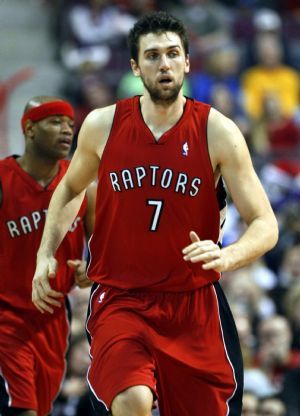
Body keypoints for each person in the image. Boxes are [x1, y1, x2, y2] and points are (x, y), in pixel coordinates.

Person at [32, 12, 278, 416]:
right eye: (152, 56)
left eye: (172, 54)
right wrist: (45, 254)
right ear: (135, 66)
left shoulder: (219, 132)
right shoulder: (102, 125)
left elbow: (265, 223)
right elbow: (70, 189)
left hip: (192, 301)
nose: (163, 64)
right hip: (121, 298)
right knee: (132, 400)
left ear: (186, 62)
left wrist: (228, 255)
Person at [0, 96, 96, 416]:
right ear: (29, 129)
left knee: (39, 408)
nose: (67, 130)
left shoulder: (82, 184)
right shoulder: (3, 180)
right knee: (22, 407)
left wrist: (90, 268)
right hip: (8, 314)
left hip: (55, 317)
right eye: (55, 122)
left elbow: (103, 250)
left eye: (70, 124)